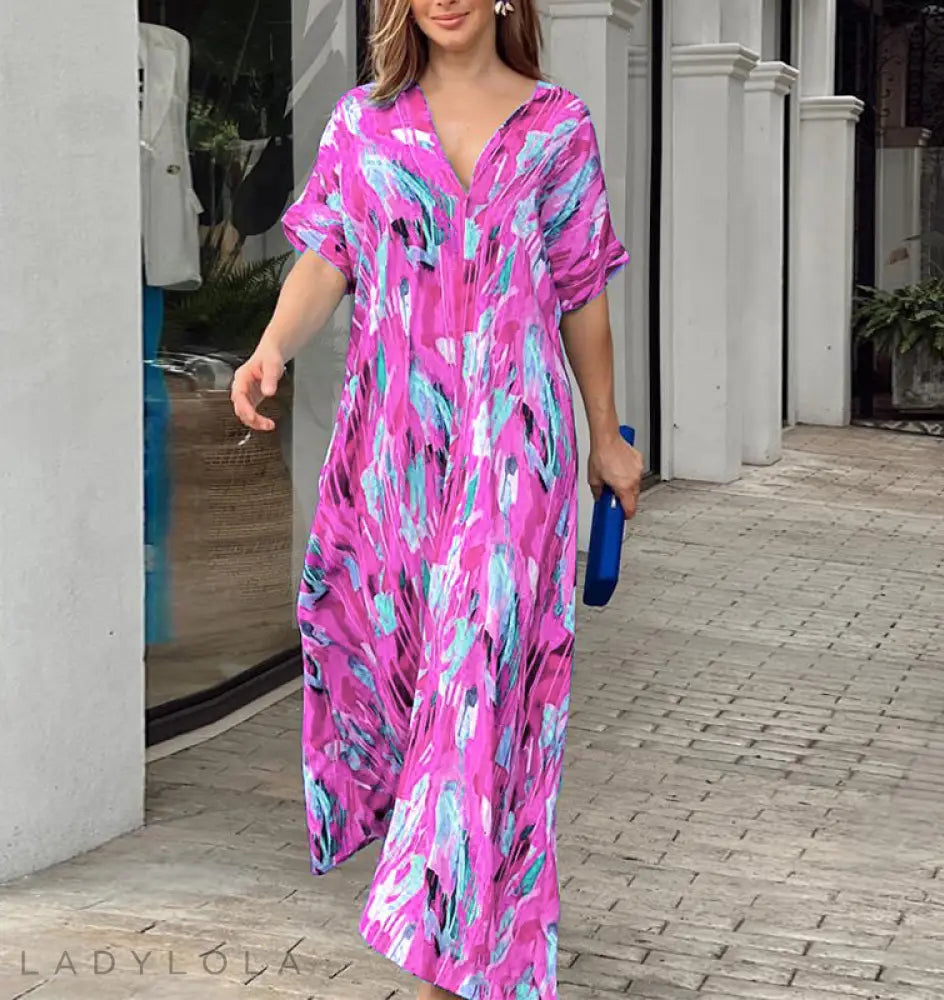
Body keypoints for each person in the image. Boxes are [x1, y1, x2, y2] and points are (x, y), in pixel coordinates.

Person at [230, 0, 642, 996]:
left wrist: (605, 433)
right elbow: (327, 256)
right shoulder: (364, 121)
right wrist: (270, 349)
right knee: (411, 679)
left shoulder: (556, 124)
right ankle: (463, 929)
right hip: (394, 452)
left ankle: (443, 961)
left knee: (478, 686)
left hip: (517, 445)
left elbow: (581, 289)